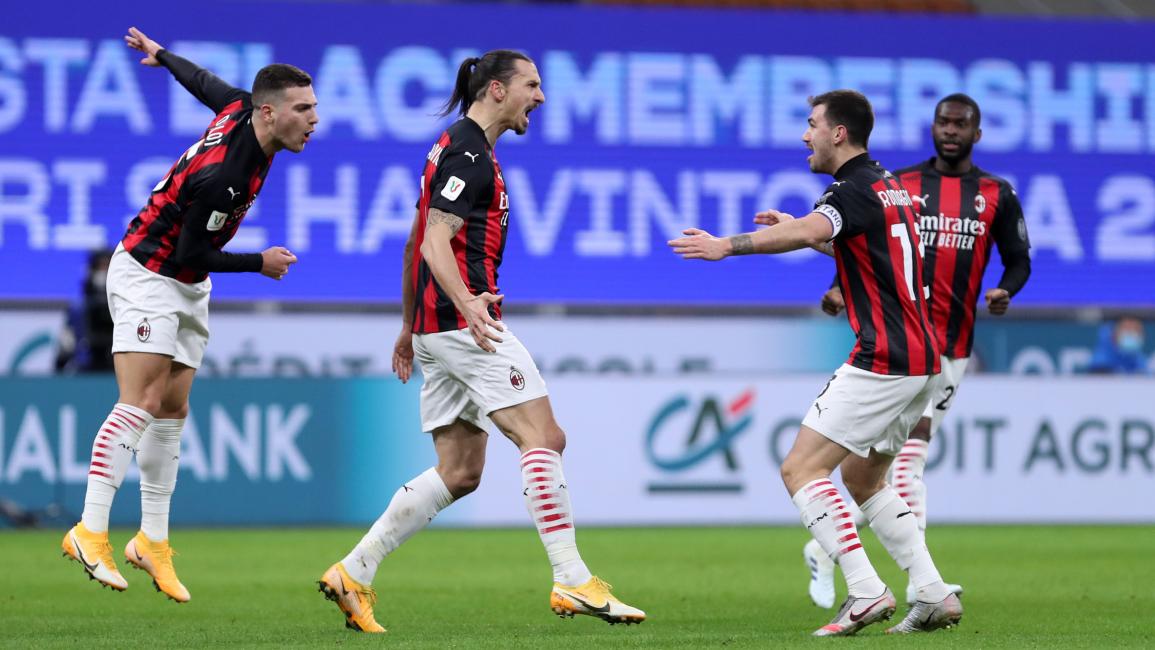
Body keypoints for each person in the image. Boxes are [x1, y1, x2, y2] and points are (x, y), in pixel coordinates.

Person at [316, 51, 645, 633]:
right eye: (532, 85)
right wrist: (466, 304)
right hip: (465, 323)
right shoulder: (469, 153)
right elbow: (434, 242)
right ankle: (572, 580)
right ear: (497, 89)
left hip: (435, 325)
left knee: (460, 469)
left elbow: (415, 237)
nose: (539, 98)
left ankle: (355, 570)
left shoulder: (454, 147)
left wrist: (408, 323)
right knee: (544, 436)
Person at [669, 90, 960, 636]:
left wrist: (724, 246)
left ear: (838, 133)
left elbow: (809, 229)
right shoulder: (890, 186)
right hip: (925, 358)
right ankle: (933, 592)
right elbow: (866, 249)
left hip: (885, 356)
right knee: (864, 477)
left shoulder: (849, 189)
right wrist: (806, 229)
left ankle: (866, 591)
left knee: (801, 469)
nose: (806, 135)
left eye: (811, 125)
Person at [60, 26, 315, 603]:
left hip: (187, 285)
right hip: (150, 272)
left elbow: (207, 85)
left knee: (173, 406)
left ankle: (152, 541)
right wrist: (260, 262)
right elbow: (191, 251)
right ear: (270, 114)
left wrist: (163, 56)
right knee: (141, 401)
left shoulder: (240, 111)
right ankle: (89, 528)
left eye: (314, 106)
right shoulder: (224, 177)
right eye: (303, 108)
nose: (314, 118)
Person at [796, 93, 1032, 608]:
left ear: (976, 133)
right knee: (897, 469)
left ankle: (848, 559)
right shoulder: (898, 185)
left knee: (861, 469)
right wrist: (840, 282)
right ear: (932, 127)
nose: (949, 131)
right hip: (910, 344)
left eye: (960, 124)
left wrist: (1006, 289)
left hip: (949, 348)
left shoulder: (996, 193)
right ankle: (921, 587)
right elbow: (876, 248)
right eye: (942, 122)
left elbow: (1018, 259)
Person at [55, 250, 115, 373]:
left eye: (107, 267)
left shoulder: (125, 309)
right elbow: (63, 353)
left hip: (117, 369)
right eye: (100, 267)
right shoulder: (77, 309)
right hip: (85, 369)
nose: (103, 273)